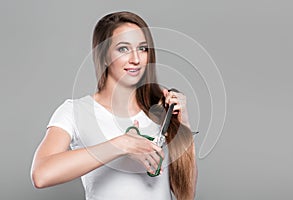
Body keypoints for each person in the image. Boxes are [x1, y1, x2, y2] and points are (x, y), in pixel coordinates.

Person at [31, 11, 197, 200]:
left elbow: (186, 193)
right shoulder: (75, 112)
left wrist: (184, 127)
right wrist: (121, 145)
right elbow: (41, 175)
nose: (136, 59)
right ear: (103, 56)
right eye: (123, 49)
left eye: (142, 48)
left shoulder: (161, 110)